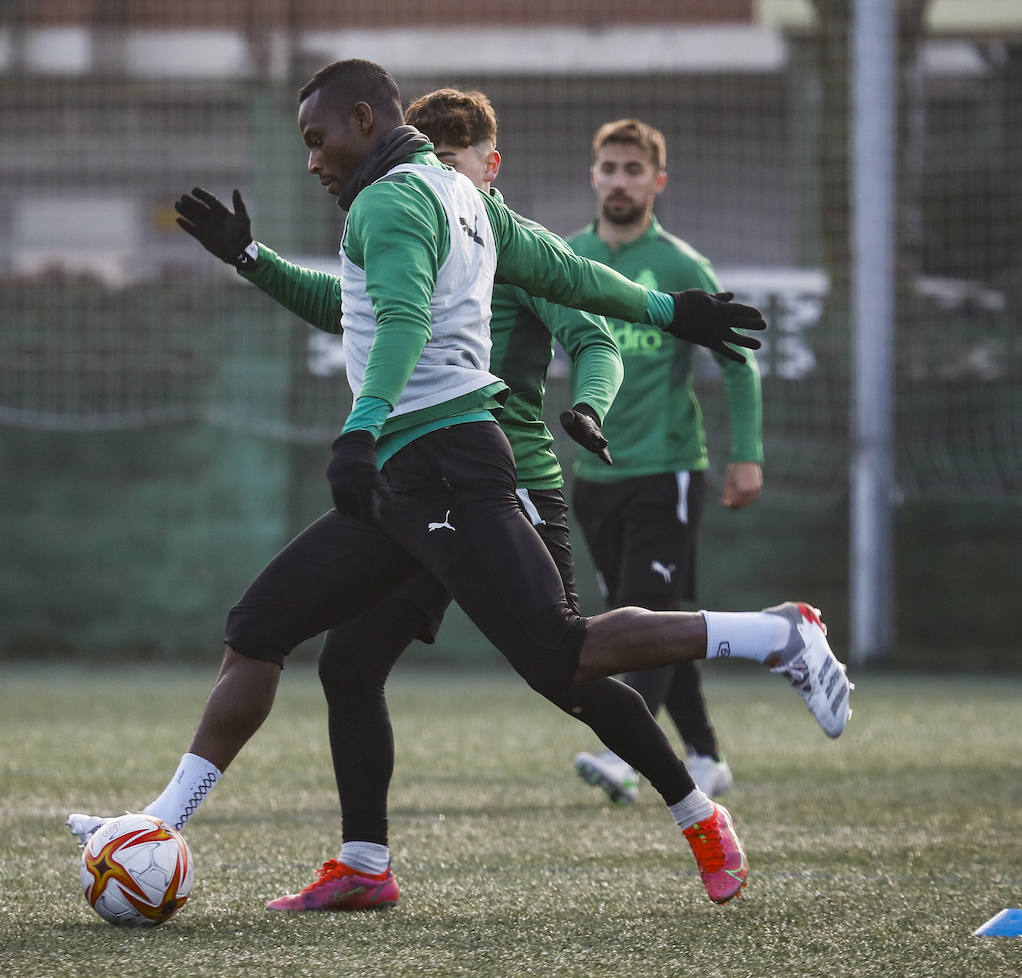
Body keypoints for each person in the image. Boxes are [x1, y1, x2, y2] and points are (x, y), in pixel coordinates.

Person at [68, 58, 851, 911]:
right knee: (273, 631)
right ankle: (197, 831)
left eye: (317, 139)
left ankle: (774, 637)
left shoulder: (392, 198)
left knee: (564, 658)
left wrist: (359, 431)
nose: (311, 160)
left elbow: (431, 317)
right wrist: (251, 258)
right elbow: (515, 277)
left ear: (364, 118)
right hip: (414, 474)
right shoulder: (455, 197)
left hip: (447, 464)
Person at [568, 119, 762, 806]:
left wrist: (747, 456)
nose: (619, 180)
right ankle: (706, 754)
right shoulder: (567, 257)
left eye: (632, 169)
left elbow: (736, 360)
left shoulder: (681, 266)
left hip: (667, 470)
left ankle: (626, 755)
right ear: (593, 177)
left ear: (657, 181)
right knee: (650, 620)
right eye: (608, 168)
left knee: (644, 610)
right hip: (594, 476)